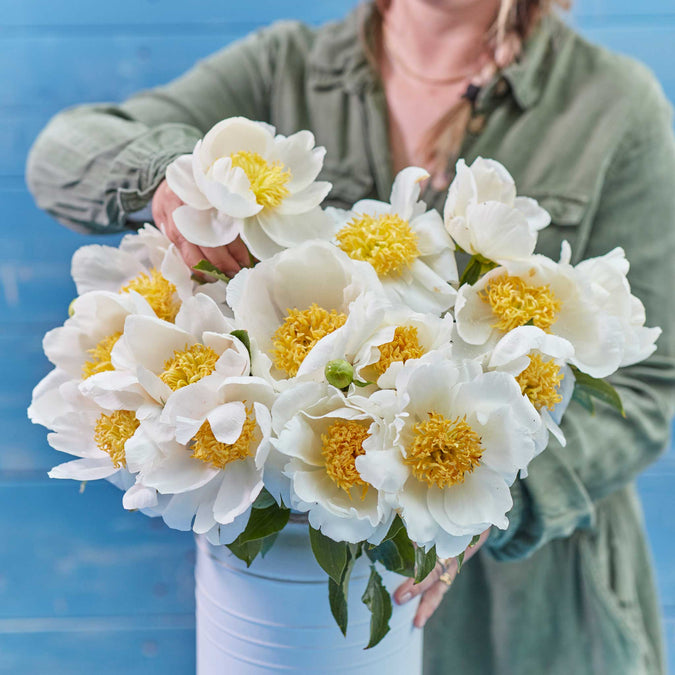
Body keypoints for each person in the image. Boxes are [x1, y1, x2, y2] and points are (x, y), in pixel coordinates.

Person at [25, 0, 675, 672]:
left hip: (529, 610)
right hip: (301, 597)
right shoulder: (285, 67)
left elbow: (647, 387)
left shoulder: (612, 105)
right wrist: (168, 176)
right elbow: (61, 152)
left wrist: (490, 499)